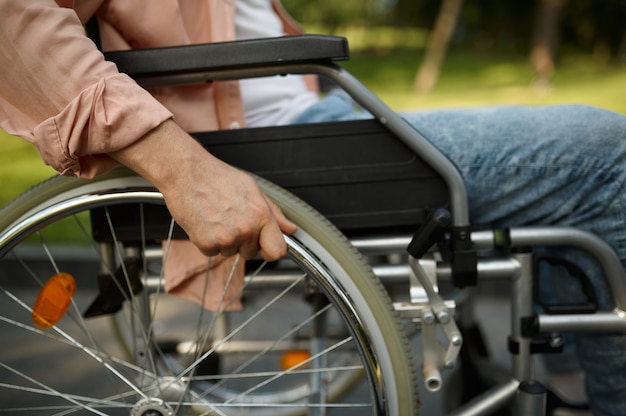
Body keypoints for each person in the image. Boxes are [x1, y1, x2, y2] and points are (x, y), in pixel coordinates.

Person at [1, 1, 626, 415]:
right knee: (604, 156)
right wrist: (182, 167)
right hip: (272, 144)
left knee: (573, 167)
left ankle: (574, 367)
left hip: (311, 118)